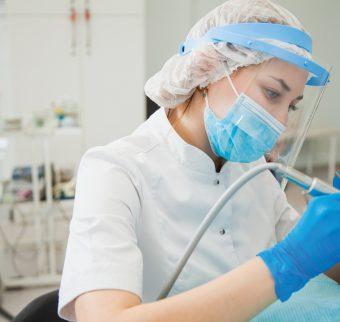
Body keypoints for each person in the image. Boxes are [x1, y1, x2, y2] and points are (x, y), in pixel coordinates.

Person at [58, 0, 340, 321]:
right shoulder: (115, 171)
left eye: (291, 106)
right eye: (273, 93)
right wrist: (285, 265)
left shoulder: (255, 172)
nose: (279, 123)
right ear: (211, 69)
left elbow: (317, 257)